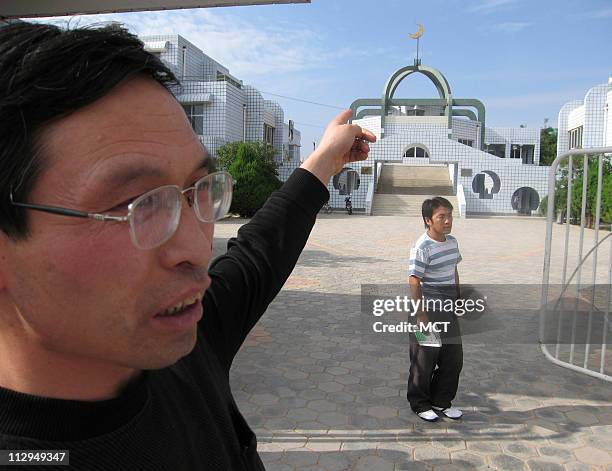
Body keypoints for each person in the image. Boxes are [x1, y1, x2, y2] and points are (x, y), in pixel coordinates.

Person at [0, 22, 375, 470]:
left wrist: (325, 160)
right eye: (135, 204)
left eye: (198, 189)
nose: (196, 250)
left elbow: (257, 255)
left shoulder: (185, 349)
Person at [407, 197, 463, 422]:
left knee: (453, 358)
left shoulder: (452, 242)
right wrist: (421, 315)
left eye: (450, 215)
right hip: (427, 311)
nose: (448, 221)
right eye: (442, 217)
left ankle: (441, 400)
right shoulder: (422, 246)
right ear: (428, 220)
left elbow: (453, 270)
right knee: (424, 359)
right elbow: (414, 281)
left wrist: (457, 297)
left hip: (447, 308)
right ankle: (419, 404)